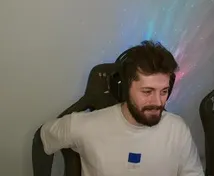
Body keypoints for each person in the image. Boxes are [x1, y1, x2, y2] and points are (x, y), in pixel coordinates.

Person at [40, 40, 204, 176]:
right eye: (147, 91)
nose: (158, 102)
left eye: (164, 91)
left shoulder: (177, 130)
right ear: (124, 88)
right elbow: (41, 138)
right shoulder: (86, 126)